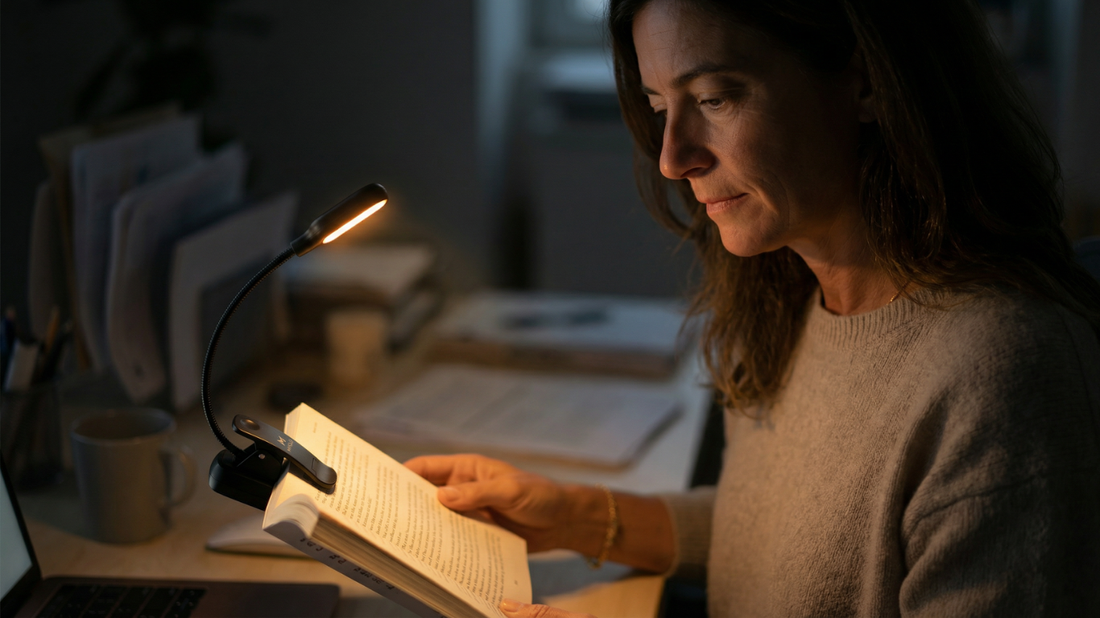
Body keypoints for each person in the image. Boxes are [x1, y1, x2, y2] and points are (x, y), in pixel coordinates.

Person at [407, 0, 1100, 615]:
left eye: (713, 97)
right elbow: (789, 544)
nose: (673, 157)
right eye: (658, 108)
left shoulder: (1004, 377)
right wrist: (577, 515)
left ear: (865, 80)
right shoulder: (796, 291)